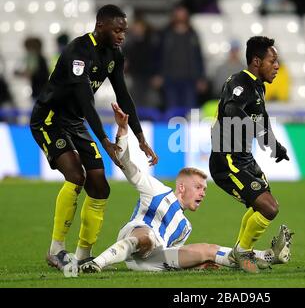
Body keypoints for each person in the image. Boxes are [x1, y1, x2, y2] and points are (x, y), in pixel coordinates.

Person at [77, 103, 293, 273]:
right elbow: (126, 164)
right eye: (198, 187)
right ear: (181, 187)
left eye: (204, 190)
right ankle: (97, 263)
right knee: (146, 237)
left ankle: (267, 256)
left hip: (154, 260)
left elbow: (174, 255)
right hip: (135, 238)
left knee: (208, 250)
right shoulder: (156, 190)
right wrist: (123, 131)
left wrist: (198, 264)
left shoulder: (185, 226)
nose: (202, 193)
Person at [29, 4, 159, 271]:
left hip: (75, 122)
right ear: (101, 27)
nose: (123, 35)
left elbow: (123, 95)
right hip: (50, 119)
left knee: (100, 186)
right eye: (118, 30)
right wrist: (105, 141)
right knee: (76, 176)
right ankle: (56, 249)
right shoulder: (78, 52)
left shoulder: (114, 54)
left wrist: (140, 137)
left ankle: (82, 254)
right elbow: (86, 101)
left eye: (124, 30)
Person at [209, 36, 290, 273]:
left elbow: (261, 120)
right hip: (227, 161)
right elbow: (232, 108)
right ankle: (243, 253)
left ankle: (240, 251)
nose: (277, 66)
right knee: (269, 208)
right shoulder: (239, 82)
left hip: (243, 158)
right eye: (272, 61)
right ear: (256, 61)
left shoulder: (258, 86)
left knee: (263, 207)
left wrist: (275, 146)